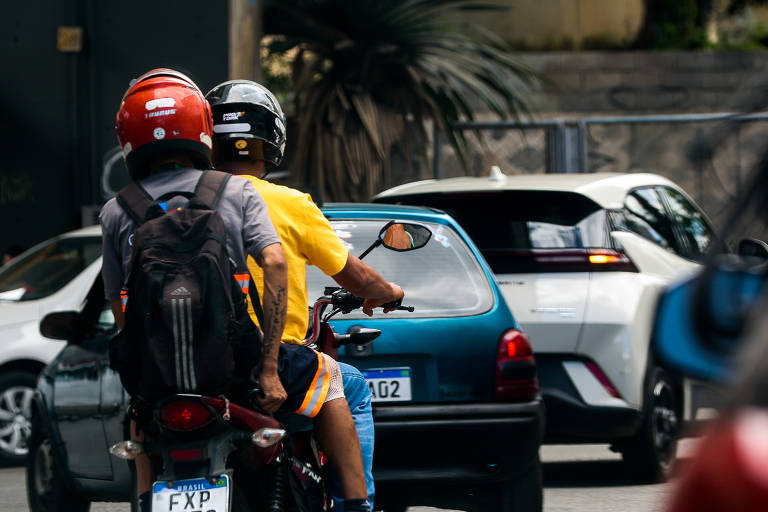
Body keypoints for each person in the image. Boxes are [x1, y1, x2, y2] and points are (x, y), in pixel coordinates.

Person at [101, 69, 370, 512]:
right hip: (236, 368)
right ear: (200, 128)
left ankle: (146, 499)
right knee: (335, 379)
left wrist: (145, 374)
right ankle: (356, 505)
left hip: (159, 378)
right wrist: (267, 368)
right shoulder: (237, 191)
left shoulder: (116, 210)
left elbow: (119, 304)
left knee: (140, 420)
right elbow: (276, 262)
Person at [205, 79, 405, 510]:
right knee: (345, 380)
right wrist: (388, 290)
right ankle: (356, 503)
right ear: (272, 140)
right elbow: (356, 277)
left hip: (194, 360)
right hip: (267, 360)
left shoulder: (185, 200)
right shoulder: (290, 203)